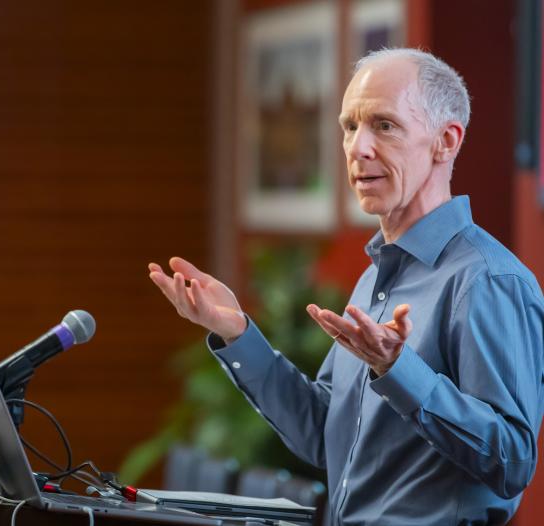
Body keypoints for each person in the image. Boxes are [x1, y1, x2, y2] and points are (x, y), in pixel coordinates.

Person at [148, 48, 544, 525]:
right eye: (349, 126)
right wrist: (237, 333)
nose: (357, 148)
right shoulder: (376, 274)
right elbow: (322, 432)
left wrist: (399, 370)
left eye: (384, 125)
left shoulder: (487, 280)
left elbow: (513, 462)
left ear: (446, 141)